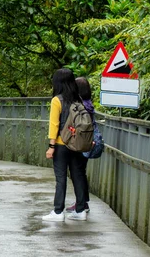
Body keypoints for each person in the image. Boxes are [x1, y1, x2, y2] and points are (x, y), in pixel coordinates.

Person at [42, 68, 89, 222]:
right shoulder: (78, 100)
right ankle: (81, 210)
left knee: (61, 178)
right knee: (77, 176)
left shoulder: (57, 100)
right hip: (76, 145)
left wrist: (51, 146)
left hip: (62, 145)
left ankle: (58, 211)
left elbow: (54, 125)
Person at [65, 76, 95, 213]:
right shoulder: (89, 104)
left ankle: (81, 204)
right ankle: (83, 202)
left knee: (77, 172)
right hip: (88, 141)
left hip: (81, 141)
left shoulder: (81, 106)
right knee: (81, 172)